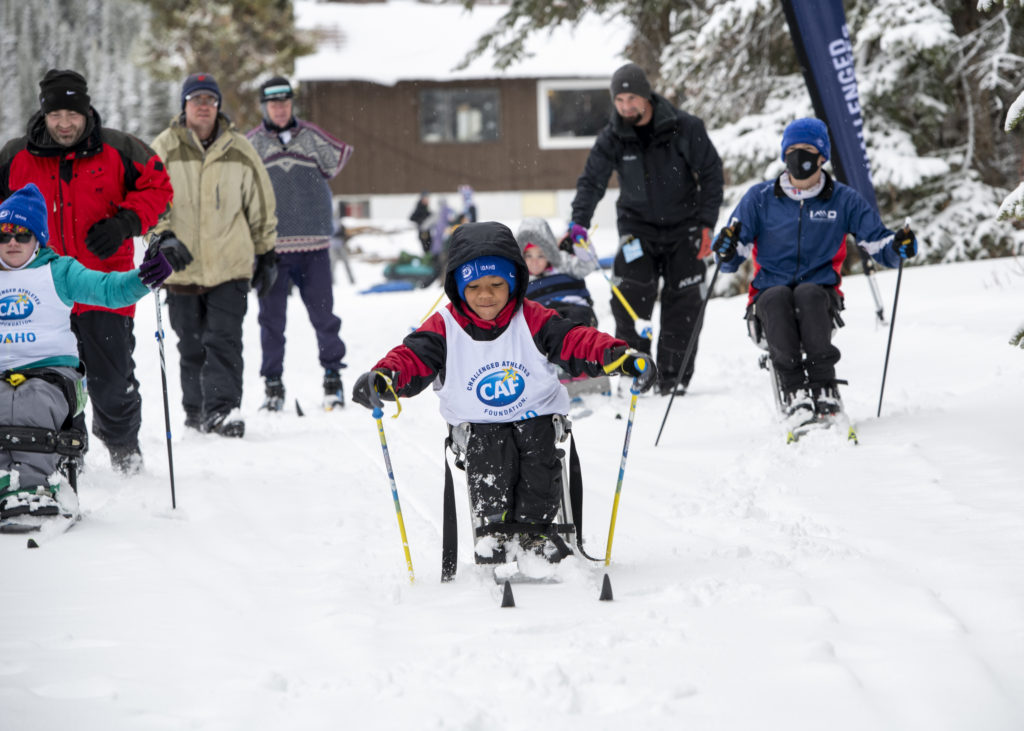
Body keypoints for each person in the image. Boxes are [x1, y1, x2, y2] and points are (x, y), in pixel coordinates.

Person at [350, 221, 657, 562]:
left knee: (539, 451)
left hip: (536, 413)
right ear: (458, 287)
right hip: (477, 423)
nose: (486, 295)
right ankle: (495, 531)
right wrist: (386, 377)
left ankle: (533, 530)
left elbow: (575, 340)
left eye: (497, 284)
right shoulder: (444, 327)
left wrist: (617, 357)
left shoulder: (533, 318)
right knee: (492, 450)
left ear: (514, 282)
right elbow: (412, 358)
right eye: (475, 286)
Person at [0, 69, 175, 474]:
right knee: (40, 381)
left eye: (72, 113)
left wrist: (126, 223)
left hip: (102, 284)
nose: (65, 123)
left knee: (112, 384)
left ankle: (124, 451)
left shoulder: (120, 149)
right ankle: (58, 456)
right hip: (35, 292)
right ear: (44, 113)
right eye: (56, 113)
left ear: (86, 109)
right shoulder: (14, 157)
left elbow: (160, 189)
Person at [712, 117, 917, 426]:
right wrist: (725, 247)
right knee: (777, 297)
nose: (799, 156)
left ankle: (824, 386)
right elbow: (730, 256)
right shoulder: (760, 198)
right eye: (792, 149)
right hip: (768, 296)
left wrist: (899, 246)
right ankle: (794, 390)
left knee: (808, 293)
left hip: (821, 295)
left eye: (807, 149)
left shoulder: (842, 199)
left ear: (822, 156)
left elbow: (877, 244)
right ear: (784, 154)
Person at [0, 184, 173, 523]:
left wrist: (143, 278)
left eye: (22, 235)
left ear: (38, 238)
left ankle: (34, 486)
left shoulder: (59, 271)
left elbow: (108, 290)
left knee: (31, 400)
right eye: (4, 234)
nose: (12, 243)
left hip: (52, 376)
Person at [566, 62, 724, 396]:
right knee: (629, 296)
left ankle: (673, 378)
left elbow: (711, 173)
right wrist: (579, 222)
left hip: (685, 228)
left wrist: (707, 224)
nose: (626, 107)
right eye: (619, 100)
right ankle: (635, 369)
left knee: (684, 302)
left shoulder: (684, 127)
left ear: (647, 96)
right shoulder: (613, 137)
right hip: (638, 229)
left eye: (632, 99)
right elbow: (592, 181)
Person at [150, 73, 278, 438]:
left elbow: (261, 203)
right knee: (190, 345)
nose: (203, 106)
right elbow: (147, 200)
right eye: (196, 100)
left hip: (230, 266)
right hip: (182, 268)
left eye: (209, 100)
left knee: (223, 341)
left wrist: (266, 252)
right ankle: (196, 411)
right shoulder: (164, 147)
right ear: (184, 106)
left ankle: (223, 411)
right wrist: (162, 237)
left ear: (218, 106)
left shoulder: (239, 148)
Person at [247, 76, 354, 412]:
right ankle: (273, 385)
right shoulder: (251, 145)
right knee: (271, 321)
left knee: (324, 317)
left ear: (292, 104)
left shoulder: (311, 137)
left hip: (315, 246)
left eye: (285, 102)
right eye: (273, 104)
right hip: (270, 249)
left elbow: (337, 160)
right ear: (264, 107)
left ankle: (333, 378)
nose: (280, 109)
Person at [516, 217, 599, 327]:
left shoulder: (562, 263)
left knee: (575, 323)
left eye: (541, 255)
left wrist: (582, 245)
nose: (534, 262)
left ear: (549, 254)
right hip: (546, 319)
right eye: (529, 256)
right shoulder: (521, 280)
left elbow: (586, 265)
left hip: (575, 308)